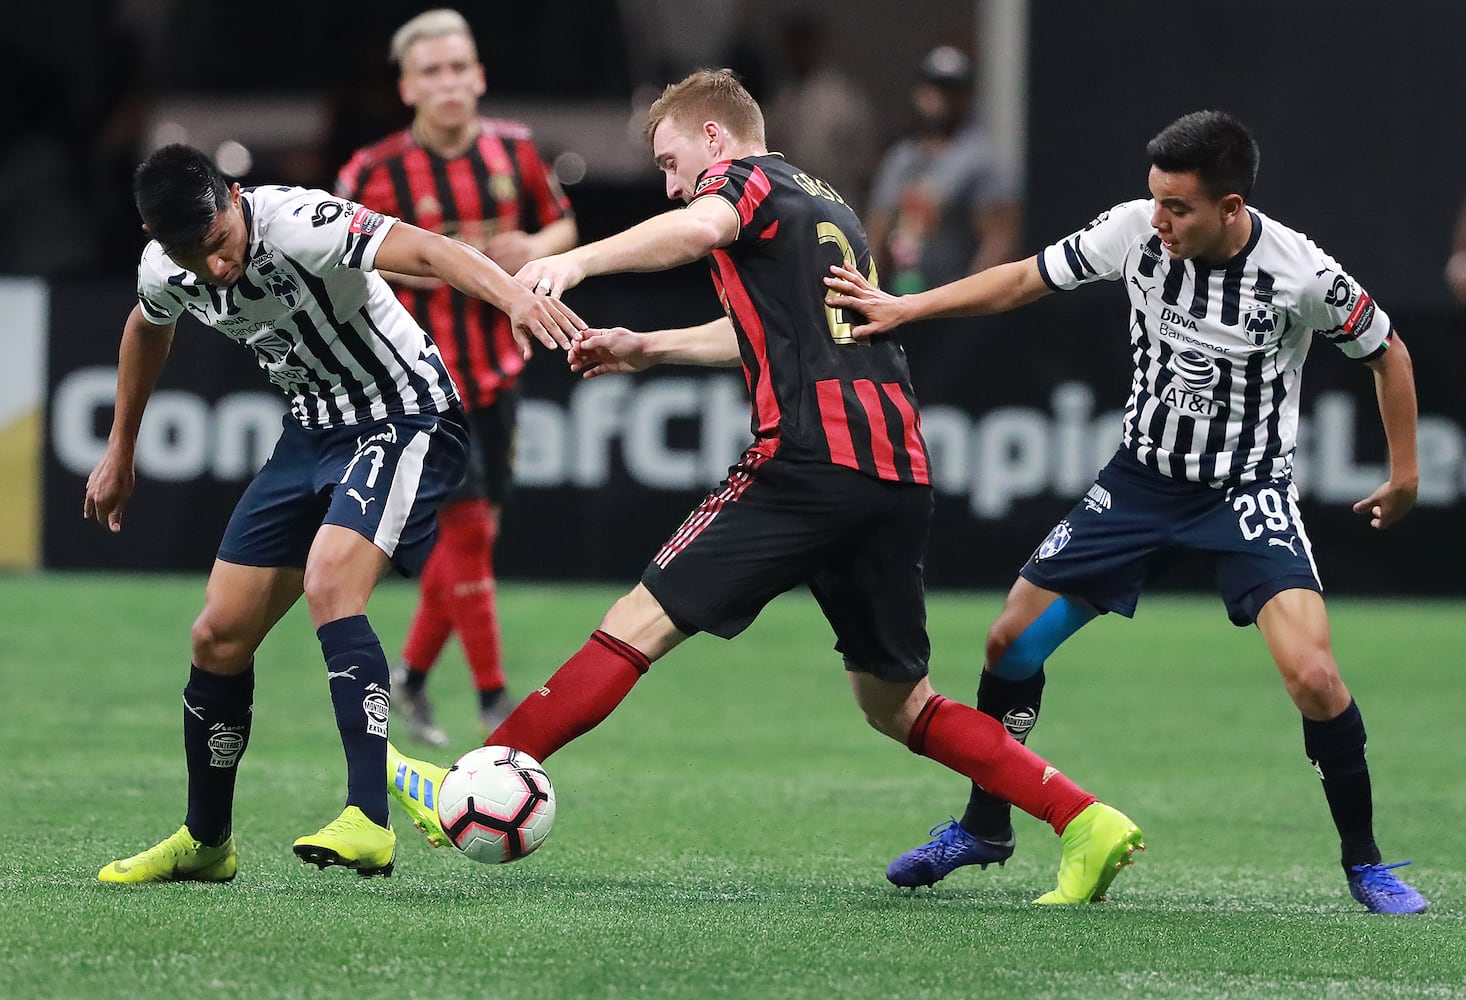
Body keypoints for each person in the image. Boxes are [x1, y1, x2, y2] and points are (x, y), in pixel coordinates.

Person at [386, 68, 1143, 904]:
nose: (672, 186)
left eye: (672, 163)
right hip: (895, 471)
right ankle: (1085, 819)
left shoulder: (741, 180)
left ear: (715, 137)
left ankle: (476, 779)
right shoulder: (833, 207)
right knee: (898, 704)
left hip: (807, 460)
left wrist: (576, 260)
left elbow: (699, 230)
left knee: (635, 622)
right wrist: (649, 348)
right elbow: (769, 328)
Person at [823, 110, 1427, 915]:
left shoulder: (1299, 273)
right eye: (1154, 200)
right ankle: (984, 824)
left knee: (1315, 677)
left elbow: (1389, 350)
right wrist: (910, 307)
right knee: (1011, 640)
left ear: (1232, 208)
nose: (1159, 220)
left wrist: (1406, 474)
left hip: (1244, 494)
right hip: (1139, 485)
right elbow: (1022, 278)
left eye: (1178, 207)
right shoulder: (1131, 233)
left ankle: (1366, 865)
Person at [89, 143, 584, 884]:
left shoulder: (298, 219)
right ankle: (206, 840)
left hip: (404, 413)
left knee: (331, 582)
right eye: (194, 258)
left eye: (220, 243)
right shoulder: (170, 267)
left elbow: (427, 248)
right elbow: (146, 327)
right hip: (310, 431)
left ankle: (367, 820)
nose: (215, 268)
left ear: (234, 195)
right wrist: (120, 448)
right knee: (218, 635)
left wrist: (514, 297)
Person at [336, 9, 580, 748]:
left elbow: (565, 227)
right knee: (469, 535)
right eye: (431, 72)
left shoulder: (516, 151)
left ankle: (409, 677)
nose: (448, 83)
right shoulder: (372, 172)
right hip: (419, 386)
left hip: (500, 376)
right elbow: (337, 263)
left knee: (472, 543)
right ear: (407, 87)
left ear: (478, 76)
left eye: (458, 67)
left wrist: (535, 244)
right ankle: (496, 703)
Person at [865, 45, 1022, 296]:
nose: (940, 97)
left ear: (966, 95)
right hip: (899, 295)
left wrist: (970, 298)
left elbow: (999, 238)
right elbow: (877, 226)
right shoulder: (901, 158)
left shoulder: (979, 160)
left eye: (951, 89)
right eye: (934, 86)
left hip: (951, 295)